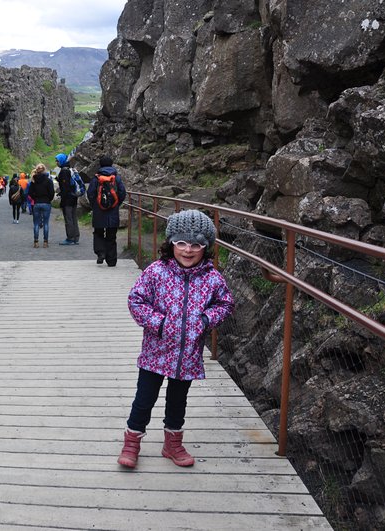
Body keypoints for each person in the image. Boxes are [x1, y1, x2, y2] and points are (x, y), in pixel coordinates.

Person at [117, 210, 235, 469]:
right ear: (171, 243)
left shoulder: (212, 278)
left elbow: (225, 304)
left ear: (207, 247)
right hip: (155, 351)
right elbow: (135, 300)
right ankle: (132, 441)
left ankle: (172, 444)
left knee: (177, 401)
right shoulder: (156, 272)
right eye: (181, 243)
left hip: (188, 355)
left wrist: (205, 320)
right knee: (144, 398)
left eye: (197, 244)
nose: (188, 250)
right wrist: (158, 322)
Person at [86, 155, 126, 266]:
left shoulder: (96, 178)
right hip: (113, 212)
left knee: (98, 232)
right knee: (111, 236)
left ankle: (100, 253)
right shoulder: (116, 178)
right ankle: (112, 260)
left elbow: (90, 193)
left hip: (99, 212)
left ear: (100, 165)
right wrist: (116, 204)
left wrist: (95, 205)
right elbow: (122, 193)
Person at [54, 153, 80, 245]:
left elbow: (65, 188)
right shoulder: (70, 169)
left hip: (68, 199)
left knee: (68, 218)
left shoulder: (64, 171)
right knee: (73, 218)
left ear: (61, 161)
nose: (56, 162)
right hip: (74, 198)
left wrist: (62, 201)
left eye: (57, 160)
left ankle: (70, 238)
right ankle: (76, 237)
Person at [27, 163, 54, 248]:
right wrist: (48, 199)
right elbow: (52, 193)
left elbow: (30, 193)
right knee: (46, 223)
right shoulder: (49, 181)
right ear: (44, 170)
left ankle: (36, 242)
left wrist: (35, 198)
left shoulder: (33, 181)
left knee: (36, 224)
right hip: (46, 203)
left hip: (37, 203)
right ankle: (45, 242)